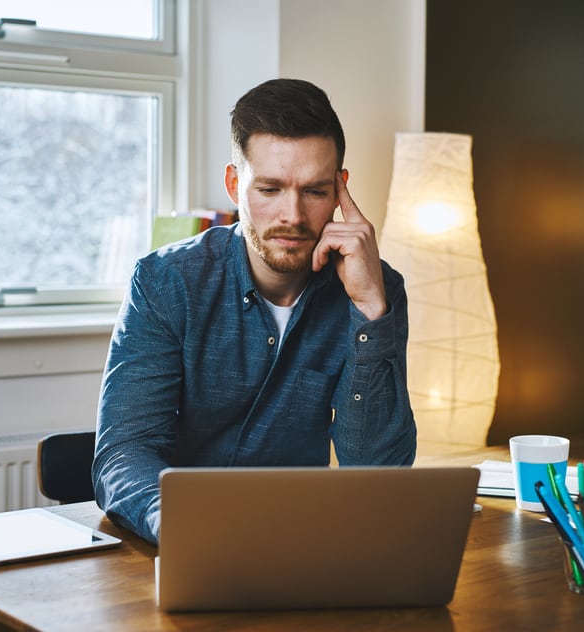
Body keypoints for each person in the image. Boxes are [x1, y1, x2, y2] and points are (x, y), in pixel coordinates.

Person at [92, 78, 416, 544]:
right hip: (181, 545)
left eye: (315, 191)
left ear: (341, 189)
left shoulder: (377, 292)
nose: (293, 216)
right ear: (234, 185)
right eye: (269, 189)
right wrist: (183, 524)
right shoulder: (166, 283)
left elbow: (379, 477)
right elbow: (125, 451)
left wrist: (369, 313)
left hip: (299, 544)